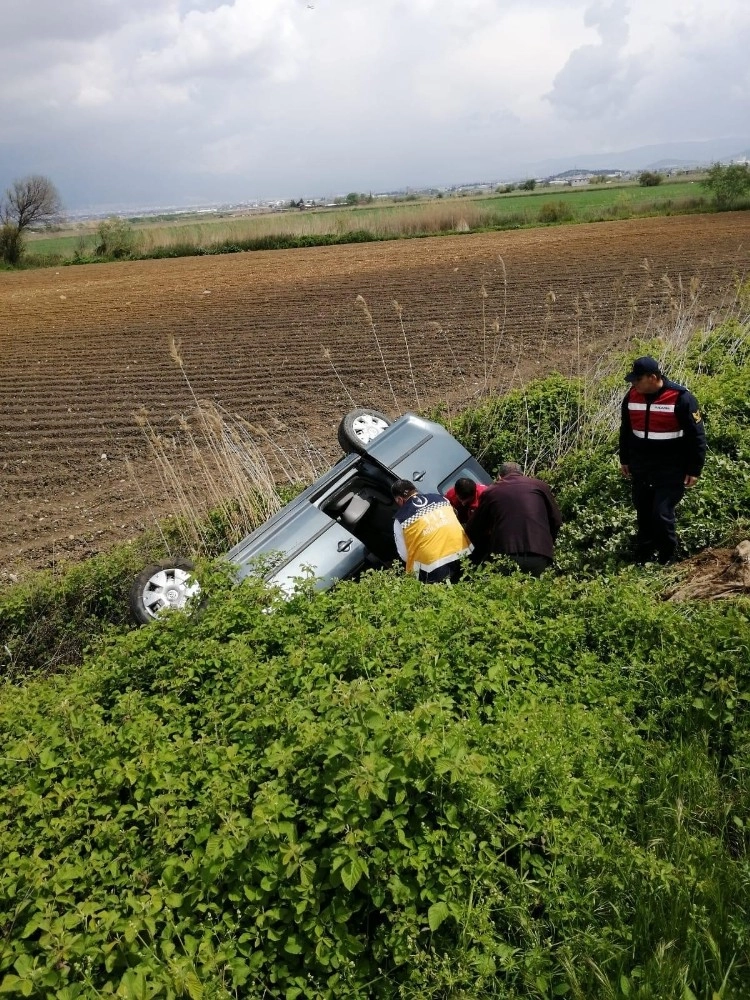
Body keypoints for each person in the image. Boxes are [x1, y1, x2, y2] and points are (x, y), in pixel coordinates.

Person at [619, 355, 706, 564]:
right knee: (643, 511)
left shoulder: (681, 397)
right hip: (641, 466)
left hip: (670, 468)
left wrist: (694, 469)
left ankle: (668, 556)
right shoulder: (631, 397)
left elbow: (697, 436)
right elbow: (625, 430)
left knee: (661, 513)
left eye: (637, 379)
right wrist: (625, 459)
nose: (633, 384)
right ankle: (644, 553)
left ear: (652, 377)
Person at [466, 462, 562, 576]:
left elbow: (474, 528)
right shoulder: (540, 486)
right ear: (522, 474)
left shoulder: (491, 492)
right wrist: (546, 544)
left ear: (499, 477)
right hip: (540, 555)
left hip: (506, 555)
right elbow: (556, 520)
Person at [391, 479, 472, 583]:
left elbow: (404, 555)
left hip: (435, 569)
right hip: (464, 552)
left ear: (399, 500)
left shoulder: (400, 520)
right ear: (415, 489)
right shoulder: (441, 498)